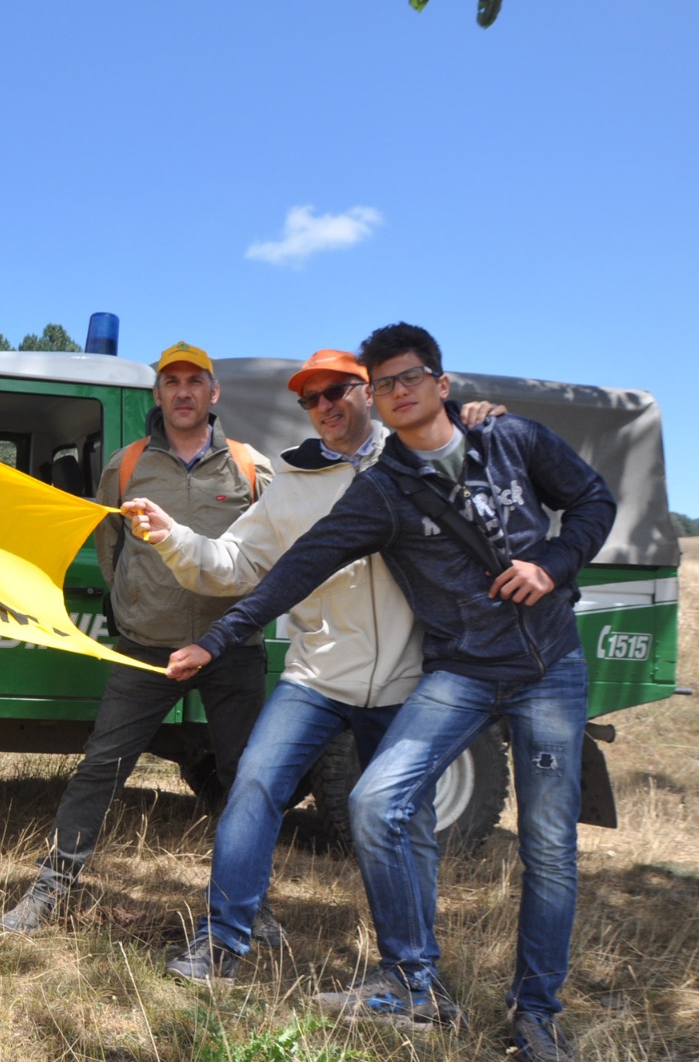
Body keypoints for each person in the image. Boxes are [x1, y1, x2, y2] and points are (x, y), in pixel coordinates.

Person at [166, 324, 614, 1058]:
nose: (395, 392)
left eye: (407, 379)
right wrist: (215, 640)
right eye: (384, 383)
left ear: (442, 382)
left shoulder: (513, 439)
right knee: (373, 801)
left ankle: (536, 1015)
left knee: (550, 849)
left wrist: (555, 562)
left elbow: (593, 501)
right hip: (459, 673)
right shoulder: (384, 490)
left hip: (550, 672)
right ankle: (413, 983)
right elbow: (295, 568)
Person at [125, 350, 495, 987]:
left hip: (410, 679)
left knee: (408, 819)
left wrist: (484, 429)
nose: (324, 406)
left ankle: (411, 972)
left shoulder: (418, 460)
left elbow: (490, 512)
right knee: (253, 785)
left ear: (369, 392)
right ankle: (222, 944)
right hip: (317, 677)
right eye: (311, 398)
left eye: (337, 392)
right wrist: (171, 536)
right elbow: (233, 562)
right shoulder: (294, 482)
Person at [0, 342, 273, 932]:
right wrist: (135, 609)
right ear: (158, 394)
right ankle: (50, 890)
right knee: (102, 767)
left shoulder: (251, 468)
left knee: (245, 780)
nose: (182, 391)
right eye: (170, 381)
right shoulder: (125, 466)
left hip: (232, 648)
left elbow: (272, 553)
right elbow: (110, 549)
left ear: (213, 392)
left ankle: (252, 907)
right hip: (147, 650)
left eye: (193, 381)